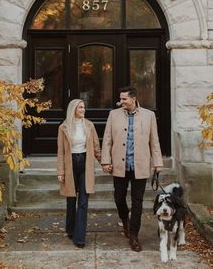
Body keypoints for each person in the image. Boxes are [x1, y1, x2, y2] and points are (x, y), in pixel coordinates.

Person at [101, 86, 163, 252]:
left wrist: (157, 162)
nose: (121, 102)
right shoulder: (113, 115)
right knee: (119, 198)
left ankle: (134, 235)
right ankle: (125, 220)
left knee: (138, 201)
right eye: (120, 99)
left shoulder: (149, 116)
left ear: (133, 99)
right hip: (119, 165)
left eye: (124, 99)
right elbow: (107, 140)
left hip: (140, 165)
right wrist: (105, 161)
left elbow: (154, 141)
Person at [57, 99, 101, 248]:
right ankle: (70, 229)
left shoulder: (89, 125)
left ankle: (79, 237)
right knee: (71, 200)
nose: (83, 109)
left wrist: (105, 163)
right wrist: (61, 171)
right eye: (80, 107)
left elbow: (96, 147)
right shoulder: (63, 127)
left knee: (83, 200)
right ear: (73, 109)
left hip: (85, 163)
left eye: (84, 107)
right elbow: (61, 152)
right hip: (70, 165)